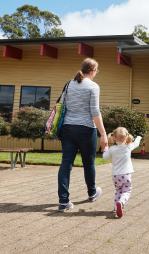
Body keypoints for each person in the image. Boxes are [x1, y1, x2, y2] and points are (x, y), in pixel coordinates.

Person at [57, 58, 108, 212]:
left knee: (66, 163)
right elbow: (95, 112)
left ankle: (63, 201)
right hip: (86, 130)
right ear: (92, 71)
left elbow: (63, 105)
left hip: (67, 129)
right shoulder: (93, 86)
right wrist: (103, 135)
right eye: (96, 71)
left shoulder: (69, 83)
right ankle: (92, 193)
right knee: (89, 163)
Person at [103, 127, 142, 218]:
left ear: (115, 138)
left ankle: (116, 207)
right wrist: (138, 138)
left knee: (118, 190)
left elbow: (105, 158)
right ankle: (121, 202)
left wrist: (106, 149)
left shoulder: (112, 149)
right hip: (126, 174)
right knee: (127, 191)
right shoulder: (128, 147)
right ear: (126, 138)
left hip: (115, 175)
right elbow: (136, 144)